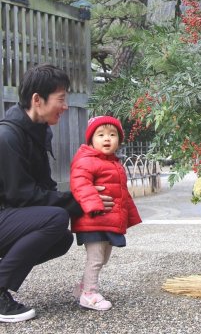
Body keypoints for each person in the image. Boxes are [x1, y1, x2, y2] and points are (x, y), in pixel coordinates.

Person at [0, 64, 114, 323]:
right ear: (37, 100)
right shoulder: (7, 136)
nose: (65, 106)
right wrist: (81, 200)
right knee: (55, 219)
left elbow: (45, 188)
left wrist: (84, 194)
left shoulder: (36, 132)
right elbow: (23, 196)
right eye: (61, 99)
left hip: (7, 217)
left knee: (60, 239)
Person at [70, 115, 141, 311]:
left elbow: (123, 195)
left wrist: (129, 216)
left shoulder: (114, 163)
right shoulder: (86, 160)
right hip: (92, 219)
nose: (107, 139)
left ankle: (83, 287)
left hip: (108, 220)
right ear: (91, 140)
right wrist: (93, 204)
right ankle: (89, 294)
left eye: (112, 134)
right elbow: (80, 184)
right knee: (96, 258)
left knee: (104, 258)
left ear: (119, 139)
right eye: (100, 135)